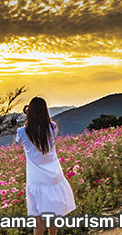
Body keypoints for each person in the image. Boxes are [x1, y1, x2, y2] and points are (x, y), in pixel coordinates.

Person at [15, 97, 75, 235]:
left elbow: (21, 138)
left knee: (38, 219)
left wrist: (28, 118)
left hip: (35, 180)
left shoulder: (22, 132)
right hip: (53, 177)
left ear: (29, 112)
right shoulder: (53, 127)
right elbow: (44, 128)